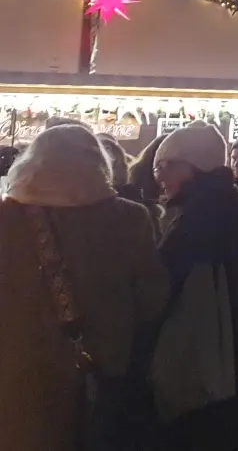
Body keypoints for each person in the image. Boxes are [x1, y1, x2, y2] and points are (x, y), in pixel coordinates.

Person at [0, 124, 169, 451]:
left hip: (15, 380)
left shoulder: (6, 220)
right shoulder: (129, 219)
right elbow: (153, 300)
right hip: (97, 375)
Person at [149, 120, 238, 451]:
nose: (158, 174)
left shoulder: (204, 212)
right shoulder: (227, 202)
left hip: (216, 359)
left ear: (195, 167)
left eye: (166, 165)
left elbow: (162, 279)